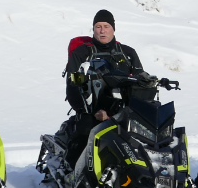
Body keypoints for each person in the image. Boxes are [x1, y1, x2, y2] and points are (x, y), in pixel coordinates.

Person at [57, 10, 149, 164]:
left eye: (106, 26)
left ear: (113, 28)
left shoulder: (128, 53)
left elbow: (140, 82)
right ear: (93, 29)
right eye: (98, 26)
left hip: (124, 111)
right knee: (86, 130)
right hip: (91, 111)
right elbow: (72, 87)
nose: (102, 30)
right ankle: (72, 171)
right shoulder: (82, 53)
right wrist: (91, 112)